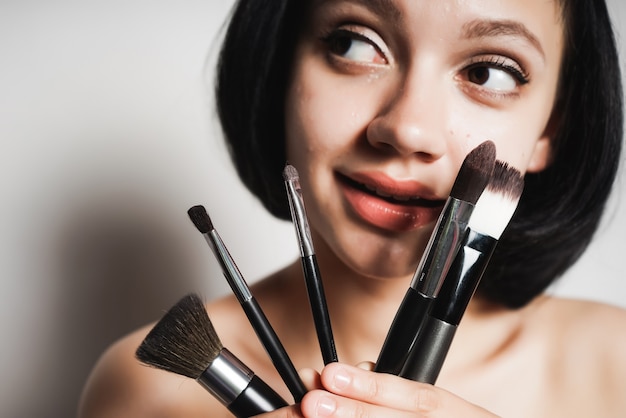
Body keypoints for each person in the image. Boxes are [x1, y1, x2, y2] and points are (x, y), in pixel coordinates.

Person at [78, 0, 626, 416]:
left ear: (554, 126)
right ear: (281, 70)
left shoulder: (613, 365)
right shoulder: (145, 390)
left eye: (488, 73)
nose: (407, 128)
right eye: (355, 44)